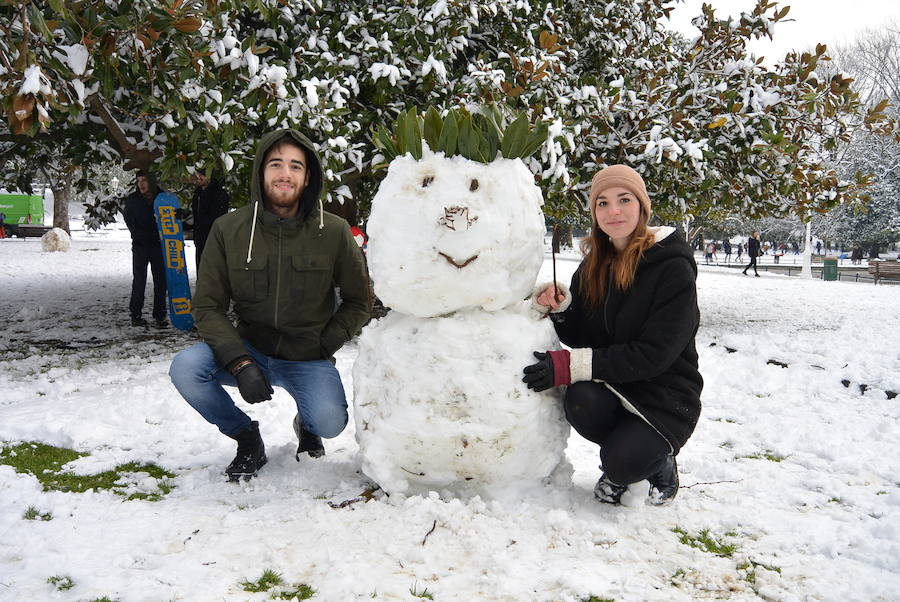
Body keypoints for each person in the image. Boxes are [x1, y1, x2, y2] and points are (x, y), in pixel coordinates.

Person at [168, 129, 372, 482]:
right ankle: (246, 436)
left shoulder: (334, 231)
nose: (285, 174)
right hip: (251, 348)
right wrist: (240, 362)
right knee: (186, 368)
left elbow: (360, 301)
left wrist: (325, 343)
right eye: (276, 164)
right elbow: (208, 307)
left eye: (296, 166)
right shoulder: (228, 229)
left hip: (308, 355)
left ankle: (308, 424)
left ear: (308, 177)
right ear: (261, 172)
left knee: (330, 421)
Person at [521, 164, 702, 506]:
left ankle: (653, 459)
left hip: (664, 397)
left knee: (622, 461)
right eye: (602, 203)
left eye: (624, 199)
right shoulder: (594, 264)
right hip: (616, 385)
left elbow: (655, 353)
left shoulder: (672, 268)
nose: (613, 211)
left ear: (642, 207)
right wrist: (561, 308)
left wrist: (570, 365)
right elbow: (584, 334)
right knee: (580, 400)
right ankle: (628, 450)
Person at [122, 170, 168, 328]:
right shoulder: (133, 200)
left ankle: (160, 315)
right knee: (139, 281)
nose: (141, 184)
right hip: (140, 246)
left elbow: (171, 218)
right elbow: (128, 219)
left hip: (158, 246)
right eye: (138, 180)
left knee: (160, 281)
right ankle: (135, 315)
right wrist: (138, 234)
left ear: (152, 182)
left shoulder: (163, 198)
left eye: (144, 180)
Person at [190, 173, 229, 271]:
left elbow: (217, 218)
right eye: (198, 175)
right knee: (201, 271)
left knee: (214, 273)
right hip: (200, 240)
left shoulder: (219, 194)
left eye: (202, 175)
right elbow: (195, 217)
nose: (198, 177)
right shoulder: (197, 194)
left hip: (214, 241)